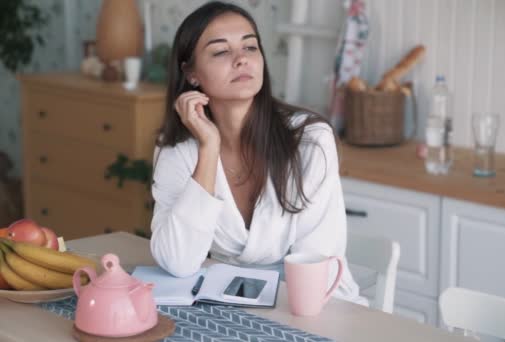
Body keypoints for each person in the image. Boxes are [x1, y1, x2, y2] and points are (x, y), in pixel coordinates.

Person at [150, 1, 362, 303]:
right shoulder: (178, 148)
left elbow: (318, 264)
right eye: (221, 51)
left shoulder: (309, 140)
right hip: (229, 306)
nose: (241, 60)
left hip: (313, 305)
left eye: (250, 47)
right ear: (191, 73)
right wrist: (208, 149)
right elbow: (178, 261)